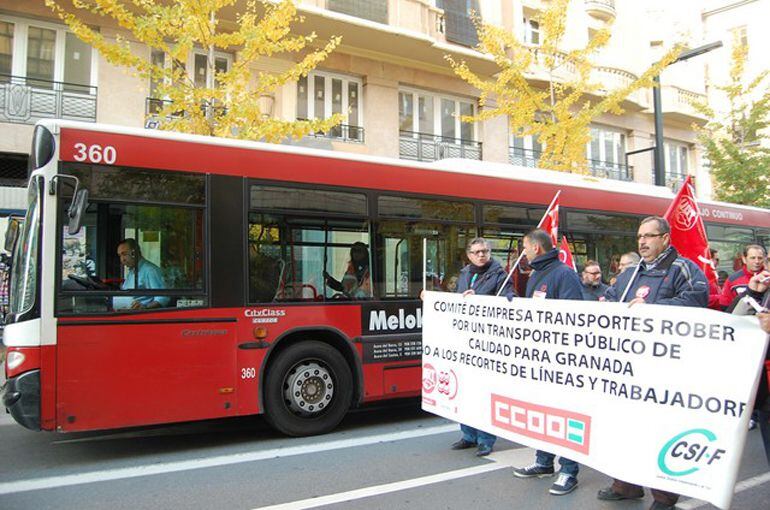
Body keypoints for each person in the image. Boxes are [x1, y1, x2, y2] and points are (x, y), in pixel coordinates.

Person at [599, 216, 708, 510]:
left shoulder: (683, 268)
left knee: (660, 429)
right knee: (626, 426)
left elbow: (698, 302)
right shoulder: (631, 273)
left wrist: (655, 310)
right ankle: (626, 484)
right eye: (639, 237)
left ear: (665, 239)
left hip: (665, 368)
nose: (643, 242)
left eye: (649, 236)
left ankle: (664, 496)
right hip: (629, 364)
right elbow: (610, 298)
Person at [510, 229, 583, 496]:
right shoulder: (538, 274)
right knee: (542, 412)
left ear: (537, 249)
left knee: (564, 415)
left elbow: (574, 316)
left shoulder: (563, 274)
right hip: (540, 359)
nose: (523, 253)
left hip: (560, 362)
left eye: (525, 248)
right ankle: (543, 462)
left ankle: (568, 471)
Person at [450, 237, 514, 457]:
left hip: (487, 345)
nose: (481, 255)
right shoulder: (464, 273)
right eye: (476, 252)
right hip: (465, 341)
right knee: (465, 391)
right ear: (469, 255)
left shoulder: (500, 275)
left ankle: (485, 440)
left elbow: (509, 300)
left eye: (485, 251)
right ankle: (468, 435)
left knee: (484, 393)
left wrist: (479, 300)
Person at [115, 238, 169, 310]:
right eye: (120, 256)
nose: (122, 259)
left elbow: (163, 297)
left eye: (124, 254)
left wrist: (145, 307)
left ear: (134, 253)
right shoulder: (132, 271)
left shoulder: (150, 271)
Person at [720, 244, 767, 309]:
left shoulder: (768, 277)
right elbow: (725, 304)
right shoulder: (733, 279)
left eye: (760, 258)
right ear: (744, 259)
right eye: (753, 258)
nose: (757, 261)